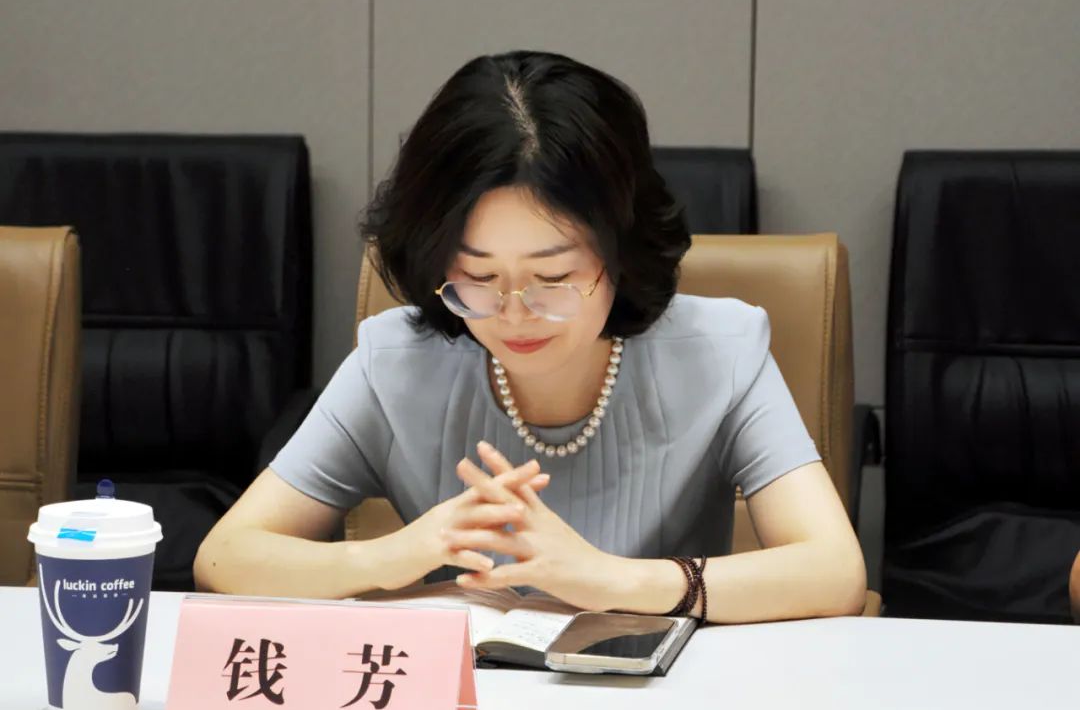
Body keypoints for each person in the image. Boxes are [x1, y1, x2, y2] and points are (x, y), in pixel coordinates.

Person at [195, 51, 867, 622]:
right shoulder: (394, 363)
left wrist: (613, 581)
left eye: (553, 278)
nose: (513, 313)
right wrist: (395, 556)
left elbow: (834, 571)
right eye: (477, 277)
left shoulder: (720, 352)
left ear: (622, 254)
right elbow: (225, 557)